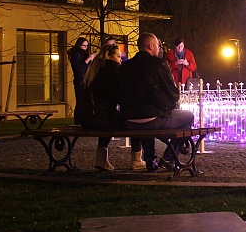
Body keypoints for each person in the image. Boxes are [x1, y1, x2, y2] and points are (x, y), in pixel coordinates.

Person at [119, 32, 196, 171]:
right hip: (152, 119)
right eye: (157, 45)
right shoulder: (159, 64)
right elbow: (173, 93)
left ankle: (150, 160)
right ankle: (168, 158)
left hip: (128, 120)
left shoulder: (125, 66)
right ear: (150, 46)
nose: (159, 48)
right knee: (188, 117)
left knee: (147, 116)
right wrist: (169, 106)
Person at [83, 44, 122, 171]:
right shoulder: (112, 72)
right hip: (104, 119)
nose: (120, 59)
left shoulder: (94, 70)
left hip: (88, 118)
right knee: (135, 122)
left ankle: (101, 160)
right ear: (109, 57)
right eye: (118, 56)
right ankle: (138, 159)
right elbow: (116, 96)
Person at [66, 36, 95, 126]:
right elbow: (79, 70)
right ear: (79, 45)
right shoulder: (76, 55)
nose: (86, 48)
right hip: (80, 81)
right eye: (84, 46)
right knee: (81, 101)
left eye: (87, 46)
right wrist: (88, 59)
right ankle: (78, 121)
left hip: (86, 80)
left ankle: (84, 120)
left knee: (86, 102)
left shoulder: (83, 54)